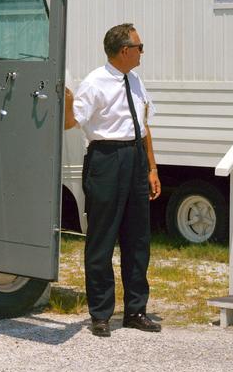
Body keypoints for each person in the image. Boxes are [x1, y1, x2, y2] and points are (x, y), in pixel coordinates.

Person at [64, 23, 162, 338]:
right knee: (102, 238)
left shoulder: (134, 80)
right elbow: (71, 122)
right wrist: (65, 99)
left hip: (134, 159)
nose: (142, 52)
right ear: (124, 50)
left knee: (137, 239)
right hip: (106, 160)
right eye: (139, 46)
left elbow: (144, 126)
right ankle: (101, 314)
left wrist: (152, 168)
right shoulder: (95, 83)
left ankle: (135, 310)